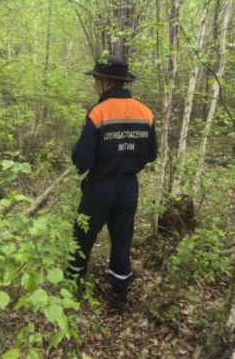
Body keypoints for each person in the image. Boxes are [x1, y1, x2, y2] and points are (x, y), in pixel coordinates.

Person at [67, 54, 157, 309]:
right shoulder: (145, 113)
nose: (94, 84)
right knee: (122, 239)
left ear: (107, 82)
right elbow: (151, 154)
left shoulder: (99, 113)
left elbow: (82, 158)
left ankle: (73, 285)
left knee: (83, 235)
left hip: (99, 187)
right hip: (129, 188)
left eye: (96, 79)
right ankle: (118, 294)